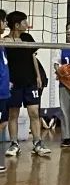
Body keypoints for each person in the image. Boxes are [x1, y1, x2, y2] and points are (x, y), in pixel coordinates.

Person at [4, 11, 48, 158]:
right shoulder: (5, 42)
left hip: (30, 82)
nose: (27, 25)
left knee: (34, 112)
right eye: (24, 22)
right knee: (13, 114)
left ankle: (37, 143)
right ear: (17, 25)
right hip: (14, 83)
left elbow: (33, 56)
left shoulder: (27, 38)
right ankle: (14, 144)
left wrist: (38, 76)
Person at [0, 9, 9, 173]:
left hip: (4, 91)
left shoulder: (3, 44)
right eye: (4, 20)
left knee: (3, 123)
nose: (6, 23)